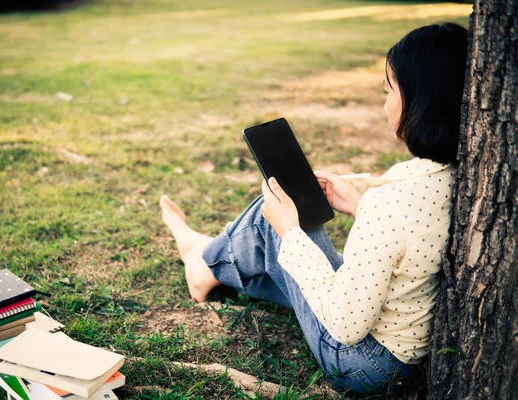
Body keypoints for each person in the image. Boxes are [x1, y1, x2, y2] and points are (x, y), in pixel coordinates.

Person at [159, 22, 468, 395]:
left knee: (271, 218)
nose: (385, 102)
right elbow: (410, 241)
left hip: (362, 363)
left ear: (421, 101)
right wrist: (359, 204)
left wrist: (290, 231)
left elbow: (345, 326)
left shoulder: (391, 204)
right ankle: (208, 256)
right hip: (402, 342)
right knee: (282, 246)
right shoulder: (456, 176)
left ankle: (201, 265)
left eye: (389, 90)